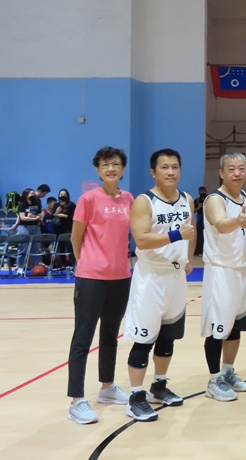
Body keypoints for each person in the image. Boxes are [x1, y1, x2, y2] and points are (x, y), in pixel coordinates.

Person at [123, 149, 194, 421]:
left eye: (175, 167)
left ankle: (158, 386)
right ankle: (135, 397)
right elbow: (141, 239)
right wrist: (176, 235)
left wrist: (188, 258)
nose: (170, 171)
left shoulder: (187, 199)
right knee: (144, 339)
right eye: (164, 167)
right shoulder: (144, 201)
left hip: (175, 277)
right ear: (153, 172)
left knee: (168, 337)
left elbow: (191, 232)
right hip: (151, 276)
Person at [66, 146, 134, 424]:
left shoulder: (129, 199)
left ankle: (107, 387)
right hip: (91, 277)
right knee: (83, 338)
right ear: (98, 170)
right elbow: (76, 237)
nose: (111, 168)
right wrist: (86, 264)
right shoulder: (88, 199)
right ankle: (76, 400)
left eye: (115, 164)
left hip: (121, 277)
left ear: (122, 168)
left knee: (110, 335)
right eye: (105, 165)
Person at [200, 153, 246, 402]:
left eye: (241, 168)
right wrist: (237, 220)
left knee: (235, 326)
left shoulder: (244, 197)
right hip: (221, 271)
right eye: (231, 169)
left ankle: (227, 371)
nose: (237, 173)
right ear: (221, 173)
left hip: (241, 269)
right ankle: (213, 381)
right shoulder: (215, 199)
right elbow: (221, 224)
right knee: (217, 328)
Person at [15, 188, 43, 275]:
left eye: (33, 193)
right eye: (31, 194)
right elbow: (22, 217)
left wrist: (37, 217)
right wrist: (30, 218)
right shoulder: (22, 204)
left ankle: (36, 269)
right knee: (22, 249)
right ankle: (20, 268)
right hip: (24, 227)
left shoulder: (37, 203)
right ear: (26, 195)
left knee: (35, 249)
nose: (32, 195)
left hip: (36, 227)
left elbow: (39, 214)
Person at [54, 188, 76, 267]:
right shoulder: (56, 205)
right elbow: (53, 217)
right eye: (61, 194)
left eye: (64, 194)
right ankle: (62, 265)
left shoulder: (72, 205)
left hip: (68, 228)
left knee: (70, 247)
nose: (62, 196)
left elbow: (74, 217)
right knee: (60, 248)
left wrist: (64, 216)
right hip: (58, 229)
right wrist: (56, 213)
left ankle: (72, 264)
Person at [194, 186, 207, 256]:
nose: (202, 192)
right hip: (200, 217)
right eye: (201, 191)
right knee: (199, 234)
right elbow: (193, 210)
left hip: (207, 217)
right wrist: (199, 207)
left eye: (203, 191)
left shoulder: (208, 199)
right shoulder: (197, 200)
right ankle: (199, 251)